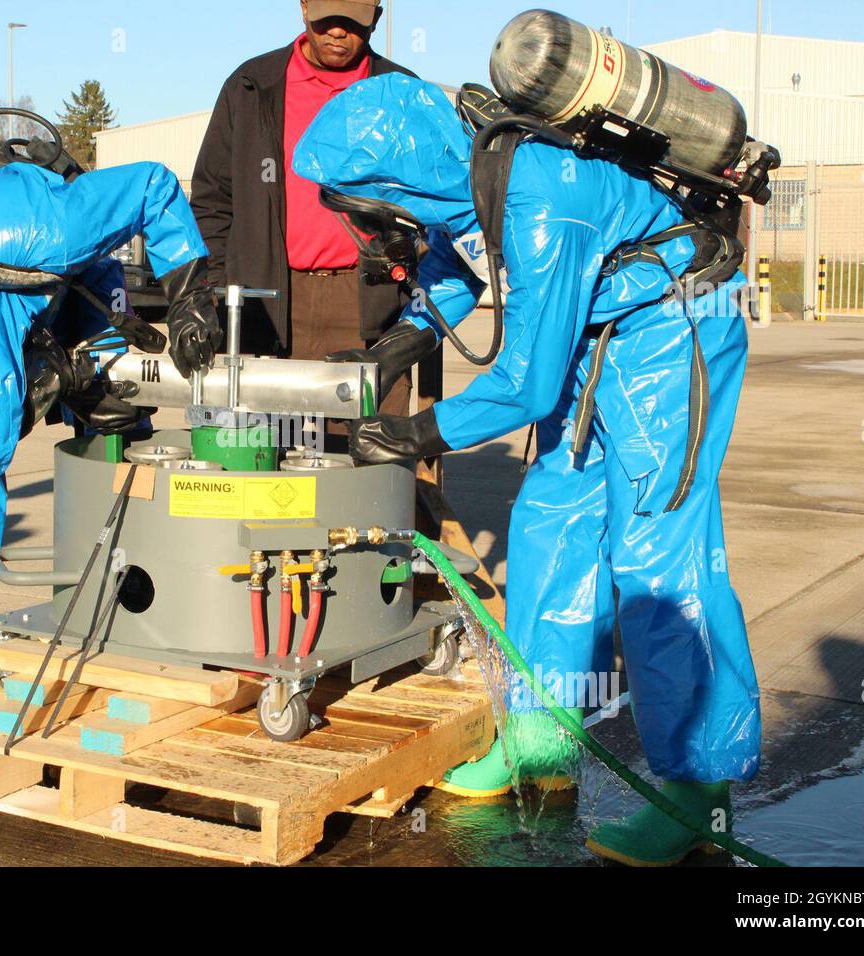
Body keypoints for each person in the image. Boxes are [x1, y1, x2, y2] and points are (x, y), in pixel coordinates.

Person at [294, 74, 762, 866]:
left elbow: (527, 382)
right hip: (597, 336)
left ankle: (696, 790)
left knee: (657, 556)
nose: (371, 235)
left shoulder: (542, 200)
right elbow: (457, 247)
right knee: (549, 533)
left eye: (366, 215)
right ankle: (541, 748)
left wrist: (420, 433)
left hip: (669, 337)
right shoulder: (471, 177)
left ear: (393, 184)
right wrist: (407, 337)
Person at [0, 159, 222, 677]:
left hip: (65, 270)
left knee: (117, 406)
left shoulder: (55, 226)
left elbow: (152, 184)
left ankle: (133, 570)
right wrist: (55, 381)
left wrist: (190, 296)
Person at [190, 0, 423, 417]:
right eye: (327, 19)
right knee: (264, 459)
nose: (338, 32)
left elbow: (434, 205)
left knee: (371, 463)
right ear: (303, 8)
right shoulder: (250, 86)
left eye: (351, 23)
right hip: (268, 304)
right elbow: (212, 198)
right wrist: (220, 284)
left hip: (368, 305)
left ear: (376, 20)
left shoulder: (402, 92)